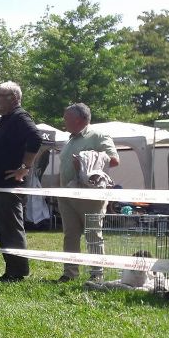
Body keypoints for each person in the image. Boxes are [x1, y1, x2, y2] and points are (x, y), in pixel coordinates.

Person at [0, 81, 42, 282]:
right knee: (3, 227)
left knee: (11, 227)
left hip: (11, 184)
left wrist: (25, 167)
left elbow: (35, 138)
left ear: (13, 99)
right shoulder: (5, 119)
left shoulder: (20, 117)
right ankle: (12, 269)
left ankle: (18, 272)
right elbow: (0, 146)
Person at [57, 102, 119, 283]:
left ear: (79, 119)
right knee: (70, 234)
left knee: (93, 234)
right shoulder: (70, 140)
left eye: (66, 117)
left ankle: (96, 274)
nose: (64, 121)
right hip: (66, 193)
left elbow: (114, 160)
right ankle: (69, 273)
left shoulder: (98, 135)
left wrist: (88, 159)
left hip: (90, 195)